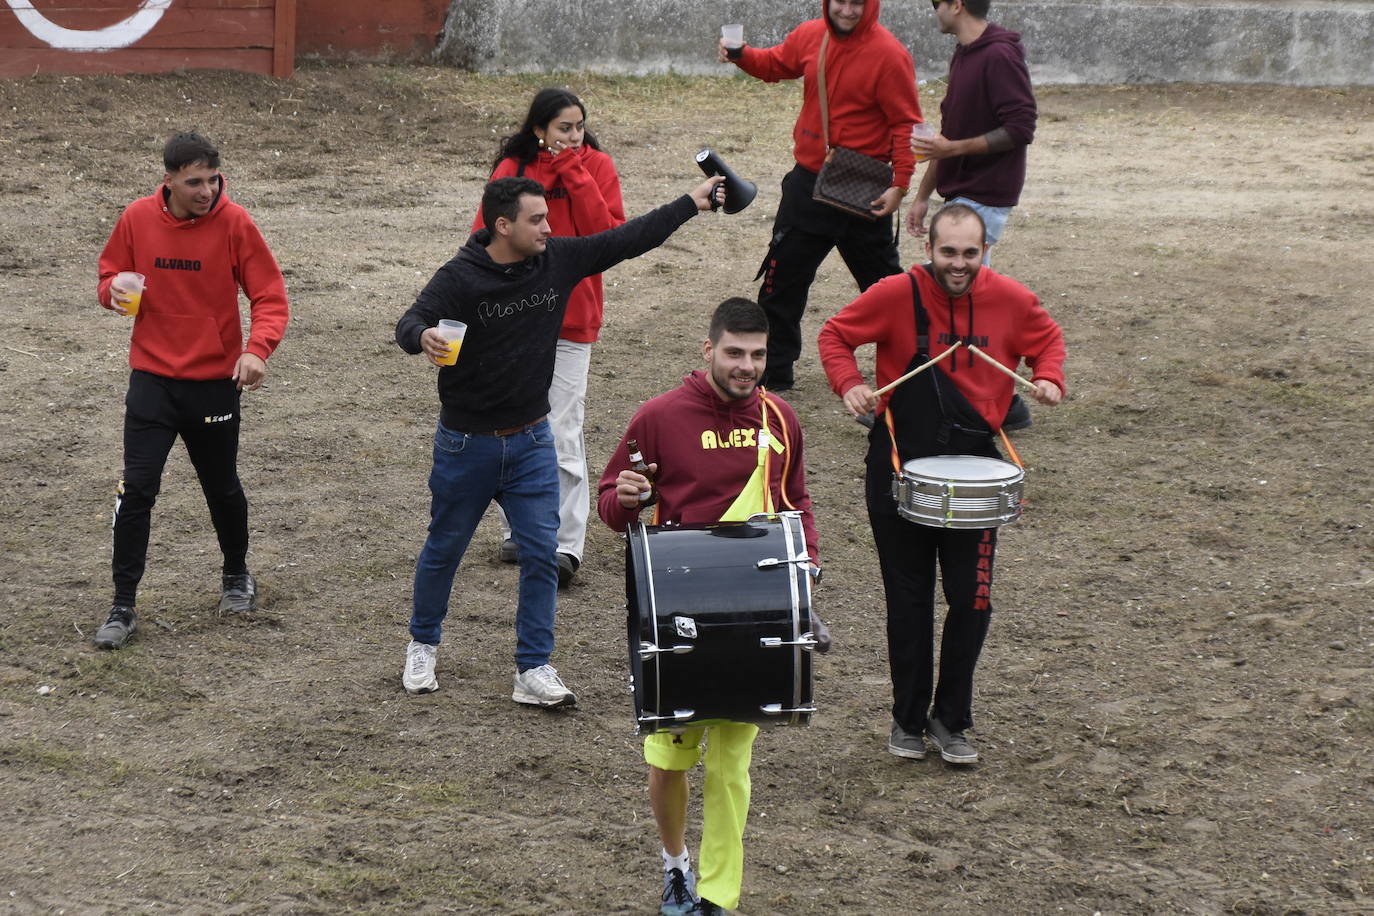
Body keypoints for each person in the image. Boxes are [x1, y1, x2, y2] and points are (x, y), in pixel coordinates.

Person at [395, 173, 726, 706]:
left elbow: (628, 239)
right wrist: (423, 336)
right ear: (503, 226)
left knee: (541, 555)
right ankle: (423, 645)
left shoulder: (558, 260)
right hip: (467, 444)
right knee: (444, 549)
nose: (548, 227)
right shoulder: (459, 277)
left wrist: (691, 202)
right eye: (536, 219)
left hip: (531, 442)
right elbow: (408, 321)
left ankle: (533, 668)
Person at [598, 298, 822, 916]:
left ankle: (717, 895)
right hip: (677, 620)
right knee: (668, 761)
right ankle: (676, 866)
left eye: (757, 355)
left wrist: (806, 581)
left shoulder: (781, 419)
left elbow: (797, 505)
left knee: (730, 769)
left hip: (754, 617)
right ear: (708, 350)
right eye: (734, 353)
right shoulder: (659, 417)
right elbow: (612, 510)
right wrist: (626, 497)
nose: (747, 366)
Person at [818, 204, 1064, 765]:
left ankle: (951, 720)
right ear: (928, 248)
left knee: (972, 601)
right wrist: (849, 383)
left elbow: (1047, 341)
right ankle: (907, 721)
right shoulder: (894, 293)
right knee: (909, 602)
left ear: (985, 251)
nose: (959, 264)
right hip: (899, 464)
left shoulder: (1011, 299)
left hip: (976, 468)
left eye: (970, 253)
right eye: (948, 252)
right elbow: (834, 335)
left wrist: (1049, 377)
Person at [92, 131, 289, 650]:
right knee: (137, 490)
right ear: (170, 181)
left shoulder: (235, 222)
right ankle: (122, 605)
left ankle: (236, 576)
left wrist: (256, 349)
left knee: (221, 486)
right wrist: (112, 292)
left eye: (212, 179)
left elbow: (270, 295)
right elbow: (108, 275)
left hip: (213, 384)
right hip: (153, 380)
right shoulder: (136, 218)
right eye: (195, 182)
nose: (207, 191)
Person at [719, 0, 922, 392]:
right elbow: (776, 64)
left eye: (856, 3)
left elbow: (904, 124)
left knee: (888, 292)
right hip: (808, 185)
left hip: (865, 191)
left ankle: (916, 370)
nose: (846, 10)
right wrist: (742, 55)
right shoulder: (812, 35)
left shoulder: (890, 55)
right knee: (781, 284)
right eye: (839, 2)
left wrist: (900, 185)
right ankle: (774, 373)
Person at [474, 88, 626, 587]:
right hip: (514, 319)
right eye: (564, 127)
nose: (574, 136)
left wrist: (575, 171)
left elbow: (606, 234)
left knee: (561, 431)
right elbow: (483, 238)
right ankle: (520, 532)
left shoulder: (597, 166)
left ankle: (564, 546)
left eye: (579, 127)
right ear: (540, 128)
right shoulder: (513, 168)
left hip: (572, 322)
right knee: (514, 425)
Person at [908, 0, 1038, 429]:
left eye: (936, 4)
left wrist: (953, 151)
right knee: (956, 303)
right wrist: (925, 194)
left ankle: (983, 403)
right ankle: (989, 402)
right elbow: (947, 135)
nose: (934, 12)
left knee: (954, 301)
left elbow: (1021, 128)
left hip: (985, 196)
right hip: (962, 194)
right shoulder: (966, 53)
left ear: (956, 4)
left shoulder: (998, 54)